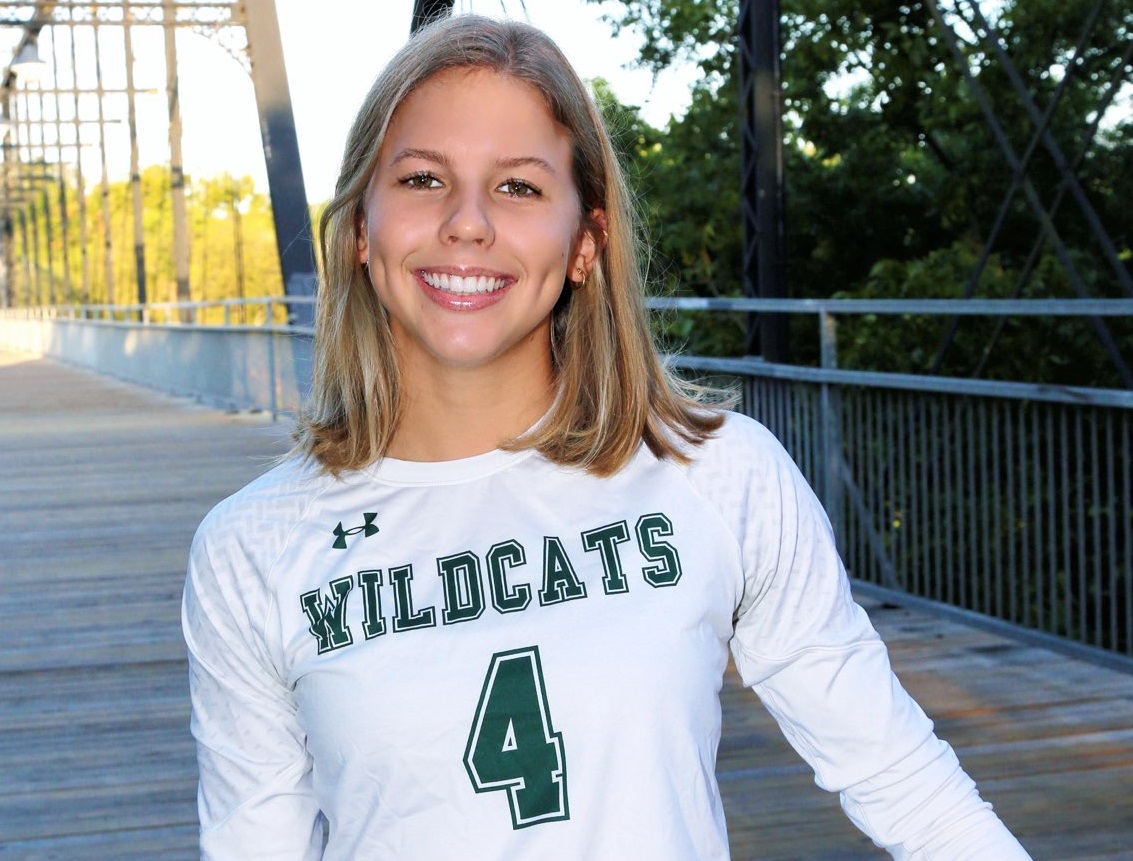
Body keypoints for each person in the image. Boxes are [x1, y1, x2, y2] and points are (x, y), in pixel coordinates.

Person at [182, 13, 1032, 861]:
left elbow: (909, 787)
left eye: (518, 187)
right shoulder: (253, 546)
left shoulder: (715, 473)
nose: (467, 223)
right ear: (363, 231)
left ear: (585, 242)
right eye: (421, 179)